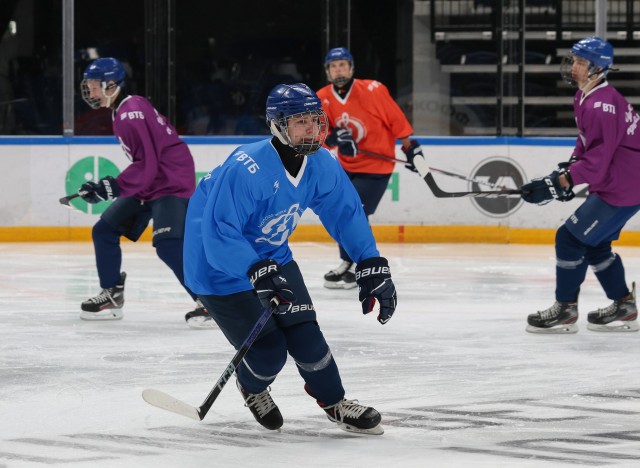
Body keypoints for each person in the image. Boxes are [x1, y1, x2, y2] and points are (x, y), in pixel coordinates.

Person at [183, 83, 397, 434]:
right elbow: (219, 232)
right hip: (216, 264)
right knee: (268, 353)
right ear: (277, 125)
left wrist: (369, 261)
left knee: (308, 340)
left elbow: (345, 213)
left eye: (316, 120)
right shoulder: (246, 167)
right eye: (300, 122)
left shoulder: (320, 162)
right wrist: (252, 268)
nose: (311, 129)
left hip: (271, 254)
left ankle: (335, 403)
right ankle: (251, 387)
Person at [77, 57, 213, 329]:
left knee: (169, 245)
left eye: (94, 86)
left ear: (111, 84)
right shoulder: (124, 109)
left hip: (170, 182)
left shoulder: (130, 113)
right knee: (104, 230)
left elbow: (147, 164)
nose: (90, 92)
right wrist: (111, 186)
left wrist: (112, 186)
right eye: (89, 86)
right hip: (152, 182)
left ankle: (210, 302)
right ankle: (112, 295)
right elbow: (146, 165)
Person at [520, 37, 640, 334]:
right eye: (573, 60)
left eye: (580, 63)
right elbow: (586, 142)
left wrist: (560, 181)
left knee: (569, 239)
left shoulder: (602, 105)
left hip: (624, 187)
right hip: (623, 183)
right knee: (595, 244)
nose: (573, 67)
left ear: (598, 68)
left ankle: (565, 310)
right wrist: (569, 168)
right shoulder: (587, 95)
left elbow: (599, 159)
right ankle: (623, 305)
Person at [316, 47, 424, 289]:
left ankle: (364, 265)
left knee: (355, 212)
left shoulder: (373, 90)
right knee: (339, 211)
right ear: (327, 71)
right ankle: (347, 261)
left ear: (352, 68)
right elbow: (321, 133)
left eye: (343, 64)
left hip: (377, 165)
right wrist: (334, 139)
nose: (339, 69)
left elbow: (396, 121)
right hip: (347, 166)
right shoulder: (322, 96)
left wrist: (411, 148)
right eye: (334, 66)